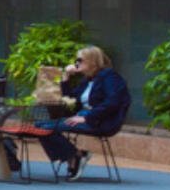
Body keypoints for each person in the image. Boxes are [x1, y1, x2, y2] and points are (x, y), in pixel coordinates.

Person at [40, 45, 130, 178]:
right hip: (84, 117)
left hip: (102, 121)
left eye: (80, 60)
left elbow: (113, 102)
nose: (76, 63)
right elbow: (70, 100)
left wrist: (87, 118)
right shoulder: (87, 80)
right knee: (38, 126)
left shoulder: (110, 77)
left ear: (93, 61)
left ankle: (75, 157)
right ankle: (75, 156)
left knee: (45, 128)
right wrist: (66, 78)